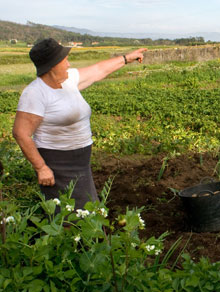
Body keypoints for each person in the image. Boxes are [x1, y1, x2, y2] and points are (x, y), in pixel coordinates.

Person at [12, 38, 147, 209]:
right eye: (64, 60)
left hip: (80, 160)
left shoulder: (69, 80)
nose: (68, 64)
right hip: (58, 163)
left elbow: (99, 69)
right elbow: (21, 133)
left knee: (85, 210)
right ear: (52, 65)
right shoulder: (35, 93)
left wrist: (127, 58)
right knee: (71, 214)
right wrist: (41, 168)